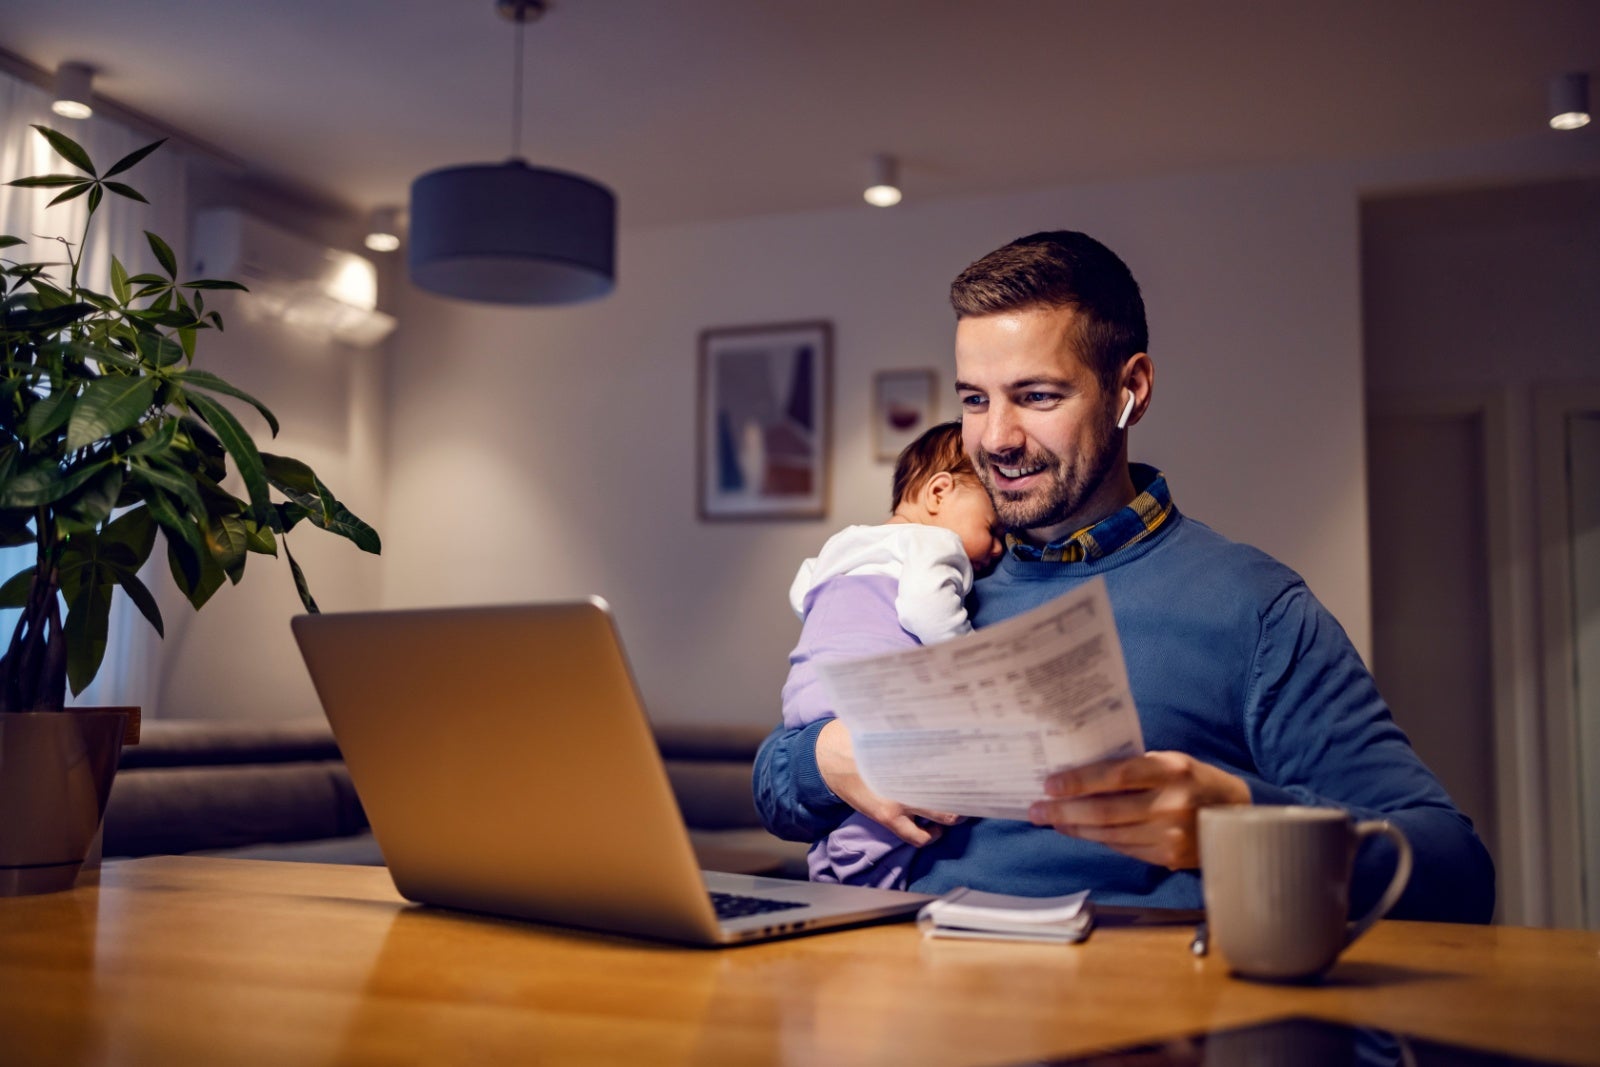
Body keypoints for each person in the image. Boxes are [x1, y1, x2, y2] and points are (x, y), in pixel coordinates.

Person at [754, 230, 1496, 922]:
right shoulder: (938, 577)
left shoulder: (1253, 608)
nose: (996, 438)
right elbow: (778, 789)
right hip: (904, 1007)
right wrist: (822, 759)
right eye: (975, 399)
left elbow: (1455, 870)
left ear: (1130, 388)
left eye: (1037, 396)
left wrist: (1235, 821)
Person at [782, 421, 1004, 888]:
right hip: (874, 691)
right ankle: (860, 848)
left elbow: (802, 592)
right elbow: (926, 610)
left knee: (858, 788)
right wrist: (971, 658)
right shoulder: (936, 544)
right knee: (964, 769)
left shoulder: (842, 543)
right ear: (939, 493)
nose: (999, 549)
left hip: (807, 694)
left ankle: (829, 855)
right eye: (992, 528)